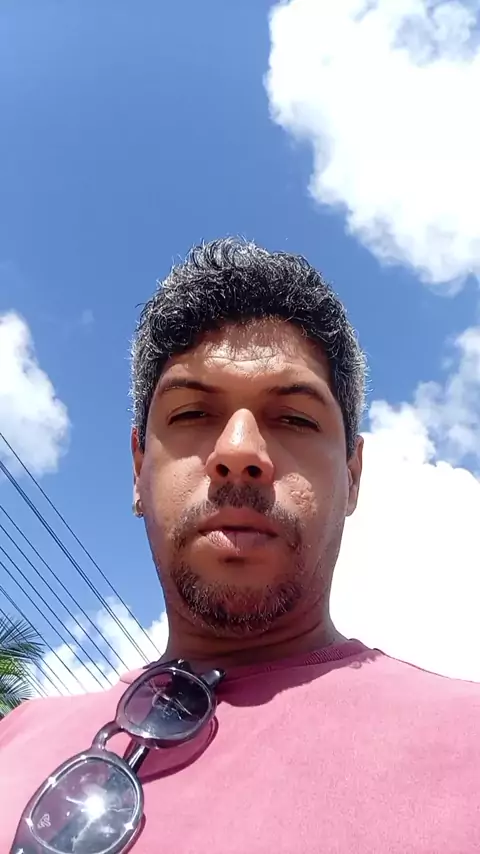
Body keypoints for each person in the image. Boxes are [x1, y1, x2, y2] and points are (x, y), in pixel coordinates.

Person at [2, 238, 479, 853]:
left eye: (296, 419)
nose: (238, 451)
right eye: (192, 413)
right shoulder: (16, 738)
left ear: (353, 476)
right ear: (138, 469)